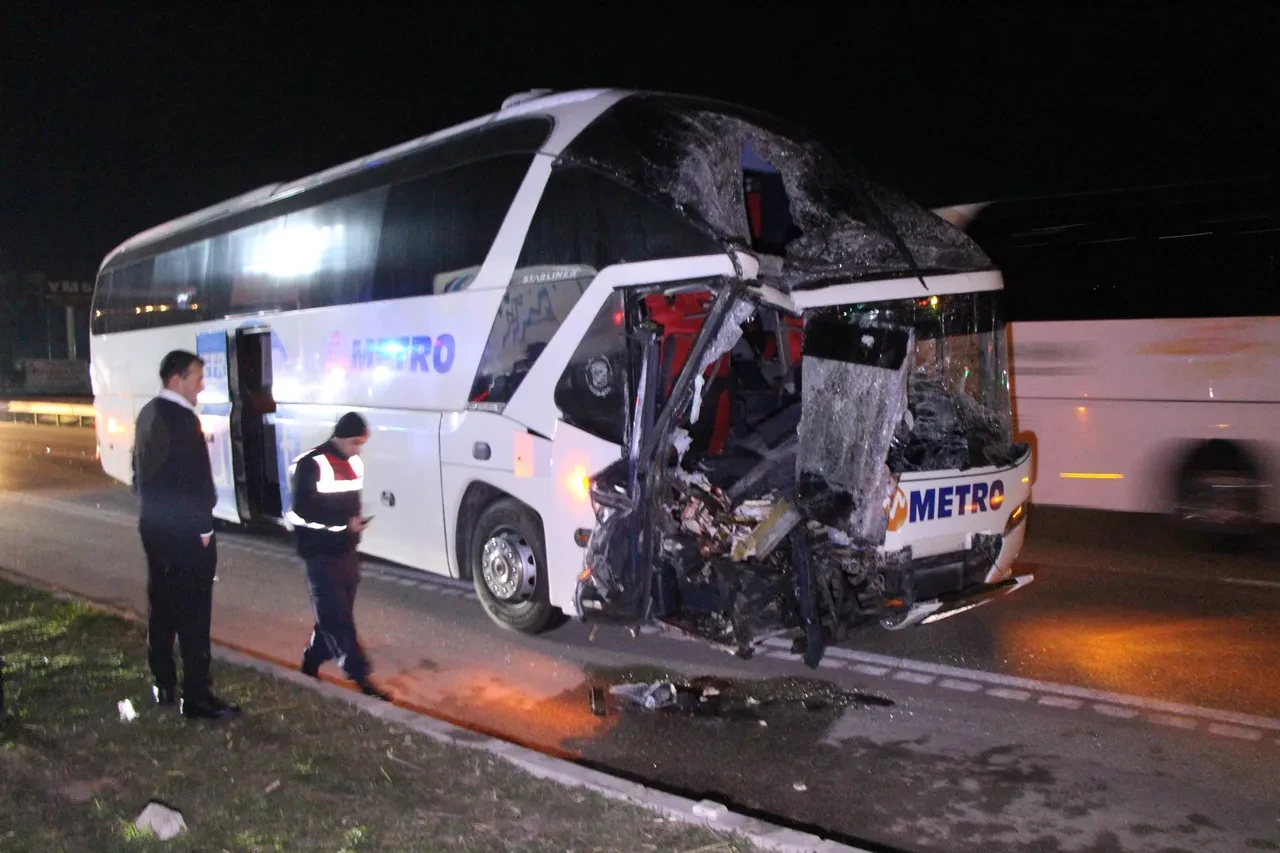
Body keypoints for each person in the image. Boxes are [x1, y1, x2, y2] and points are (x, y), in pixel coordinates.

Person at [133, 350, 239, 720]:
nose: (202, 385)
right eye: (197, 377)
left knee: (161, 608)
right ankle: (196, 697)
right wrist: (205, 529)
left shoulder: (147, 413)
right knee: (194, 616)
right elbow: (196, 483)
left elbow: (139, 474)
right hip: (185, 535)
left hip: (154, 527)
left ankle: (163, 681)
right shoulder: (182, 420)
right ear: (177, 380)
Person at [287, 412, 390, 700]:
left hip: (345, 552)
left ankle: (311, 660)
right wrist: (345, 524)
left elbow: (350, 502)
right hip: (318, 553)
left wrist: (353, 528)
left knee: (333, 615)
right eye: (356, 442)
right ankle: (362, 679)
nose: (358, 449)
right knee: (339, 619)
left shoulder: (353, 462)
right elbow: (303, 512)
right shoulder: (310, 464)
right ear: (341, 436)